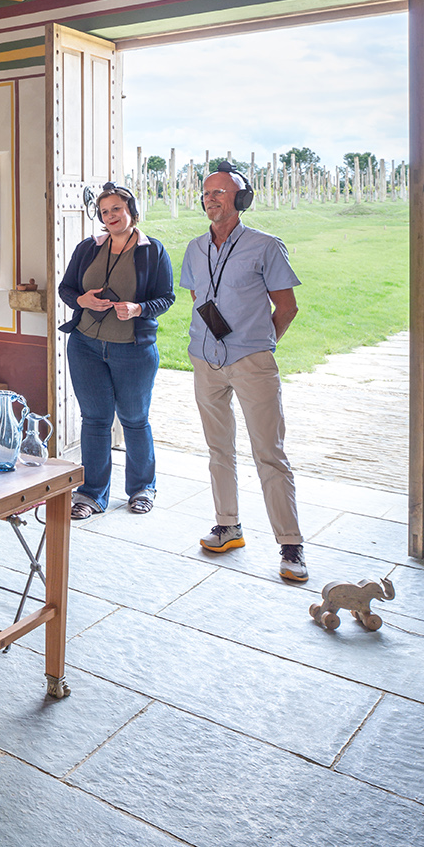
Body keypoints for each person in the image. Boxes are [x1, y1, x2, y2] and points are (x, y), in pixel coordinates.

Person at [177, 162, 308, 583]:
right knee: (218, 450)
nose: (210, 198)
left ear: (241, 199)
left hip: (252, 361)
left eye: (219, 192)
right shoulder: (195, 248)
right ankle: (227, 525)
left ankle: (290, 544)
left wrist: (258, 344)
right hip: (205, 359)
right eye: (206, 192)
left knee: (270, 453)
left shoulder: (266, 246)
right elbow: (198, 296)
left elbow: (286, 307)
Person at [57, 183, 174, 520]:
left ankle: (142, 489)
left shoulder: (153, 251)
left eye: (117, 210)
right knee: (94, 420)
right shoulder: (87, 248)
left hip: (133, 350)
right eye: (105, 211)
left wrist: (138, 309)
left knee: (135, 420)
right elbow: (67, 289)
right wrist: (82, 300)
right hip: (85, 346)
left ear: (131, 212)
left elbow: (166, 297)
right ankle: (91, 494)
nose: (110, 216)